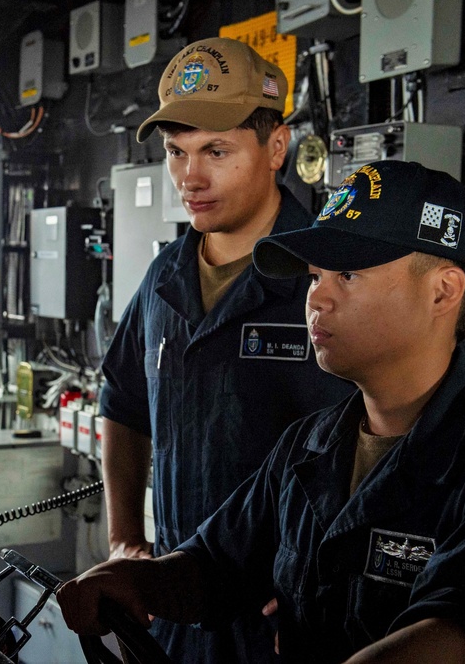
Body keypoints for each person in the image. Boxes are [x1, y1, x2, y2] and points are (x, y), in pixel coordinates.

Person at [59, 160, 465, 663]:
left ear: (443, 291)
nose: (315, 299)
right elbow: (215, 567)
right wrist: (132, 581)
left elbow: (456, 638)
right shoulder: (307, 447)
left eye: (348, 276)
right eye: (315, 277)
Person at [98, 36, 355, 662]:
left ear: (275, 147)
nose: (191, 177)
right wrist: (125, 538)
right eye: (176, 152)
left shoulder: (331, 273)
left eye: (216, 150)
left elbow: (395, 434)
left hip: (286, 619)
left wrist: (331, 572)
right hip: (176, 606)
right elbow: (122, 399)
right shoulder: (164, 278)